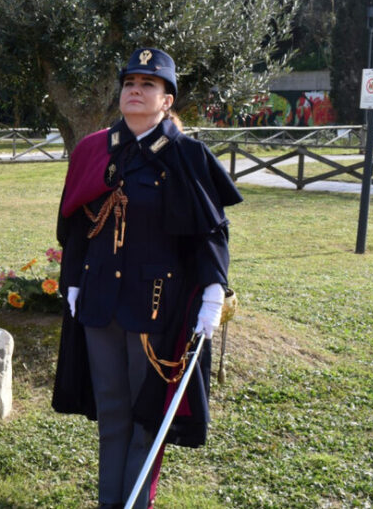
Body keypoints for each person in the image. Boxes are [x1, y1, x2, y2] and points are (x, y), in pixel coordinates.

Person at [53, 48, 243, 509]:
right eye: (129, 83)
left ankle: (136, 504)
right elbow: (77, 220)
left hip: (155, 307)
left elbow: (211, 233)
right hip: (98, 302)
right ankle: (108, 502)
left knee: (145, 418)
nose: (135, 91)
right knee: (112, 413)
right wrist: (73, 282)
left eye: (149, 85)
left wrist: (213, 295)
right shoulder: (93, 149)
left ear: (167, 100)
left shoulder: (186, 156)